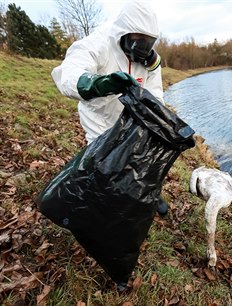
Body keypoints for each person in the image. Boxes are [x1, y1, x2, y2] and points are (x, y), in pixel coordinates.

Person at [51, 0, 169, 216]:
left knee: (141, 157)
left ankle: (149, 195)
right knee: (105, 166)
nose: (143, 47)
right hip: (100, 117)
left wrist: (157, 115)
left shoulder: (149, 60)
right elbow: (68, 73)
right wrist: (98, 84)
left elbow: (156, 90)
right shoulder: (98, 44)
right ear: (124, 32)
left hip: (133, 120)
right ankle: (104, 205)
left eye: (148, 42)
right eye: (138, 41)